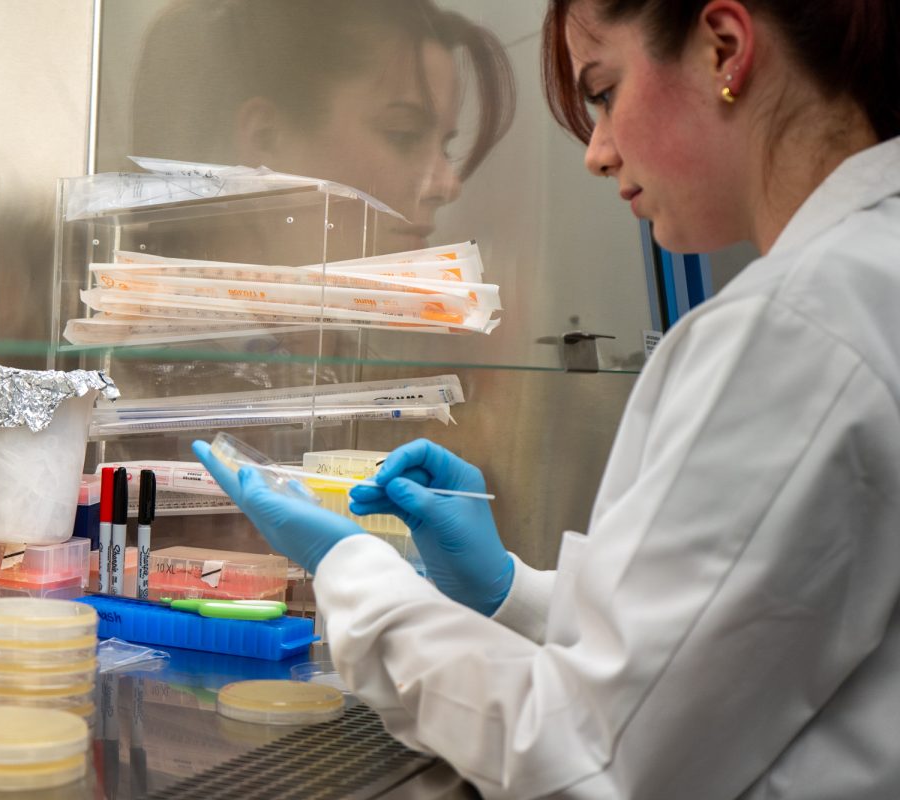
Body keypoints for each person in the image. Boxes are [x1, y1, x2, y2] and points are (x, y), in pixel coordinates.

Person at [194, 0, 900, 796]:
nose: (596, 153)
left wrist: (353, 570)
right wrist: (511, 591)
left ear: (725, 50)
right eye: (403, 133)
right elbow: (732, 635)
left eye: (602, 90)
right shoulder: (867, 275)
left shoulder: (798, 326)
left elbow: (589, 759)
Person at [130, 0, 514, 255]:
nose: (448, 185)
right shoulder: (121, 370)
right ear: (266, 137)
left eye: (444, 147)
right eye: (404, 136)